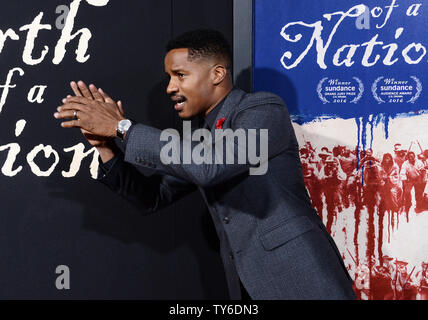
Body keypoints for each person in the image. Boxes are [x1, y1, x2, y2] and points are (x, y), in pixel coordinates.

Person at [54, 29, 355, 300]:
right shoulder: (200, 141)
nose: (170, 87)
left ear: (217, 73)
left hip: (302, 282)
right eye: (170, 78)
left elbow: (210, 167)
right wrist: (107, 146)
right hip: (245, 287)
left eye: (180, 75)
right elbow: (152, 197)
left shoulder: (263, 109)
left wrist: (122, 128)